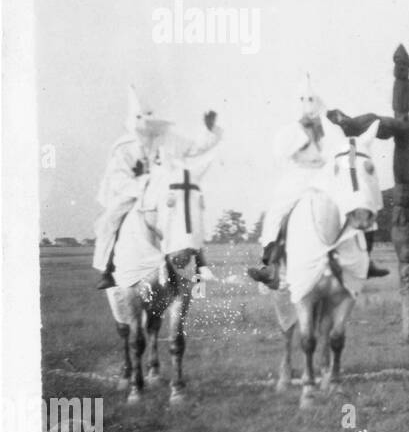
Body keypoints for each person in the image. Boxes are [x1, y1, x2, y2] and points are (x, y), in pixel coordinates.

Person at [246, 75, 388, 288]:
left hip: (325, 174)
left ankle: (365, 259)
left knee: (357, 198)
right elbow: (280, 152)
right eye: (303, 100)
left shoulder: (331, 128)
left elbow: (340, 150)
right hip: (299, 175)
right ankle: (270, 263)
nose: (308, 105)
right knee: (277, 209)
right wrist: (303, 134)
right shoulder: (290, 130)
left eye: (312, 100)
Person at [93, 87, 222, 289]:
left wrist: (208, 130)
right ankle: (108, 267)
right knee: (111, 218)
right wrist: (143, 185)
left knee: (187, 213)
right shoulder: (124, 148)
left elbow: (194, 148)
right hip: (136, 193)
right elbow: (118, 178)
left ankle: (199, 263)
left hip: (165, 193)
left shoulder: (168, 138)